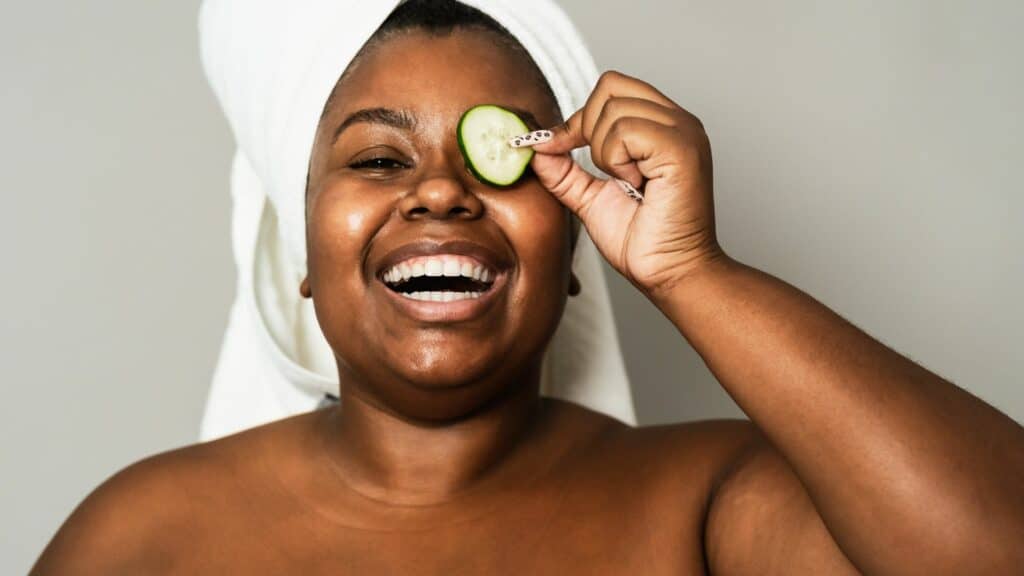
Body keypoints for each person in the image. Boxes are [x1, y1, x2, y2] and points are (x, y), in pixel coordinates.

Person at [31, 1, 1024, 574]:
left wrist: (690, 273)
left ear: (575, 240)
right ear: (298, 247)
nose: (438, 191)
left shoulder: (707, 506)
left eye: (499, 159)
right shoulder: (142, 535)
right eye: (377, 160)